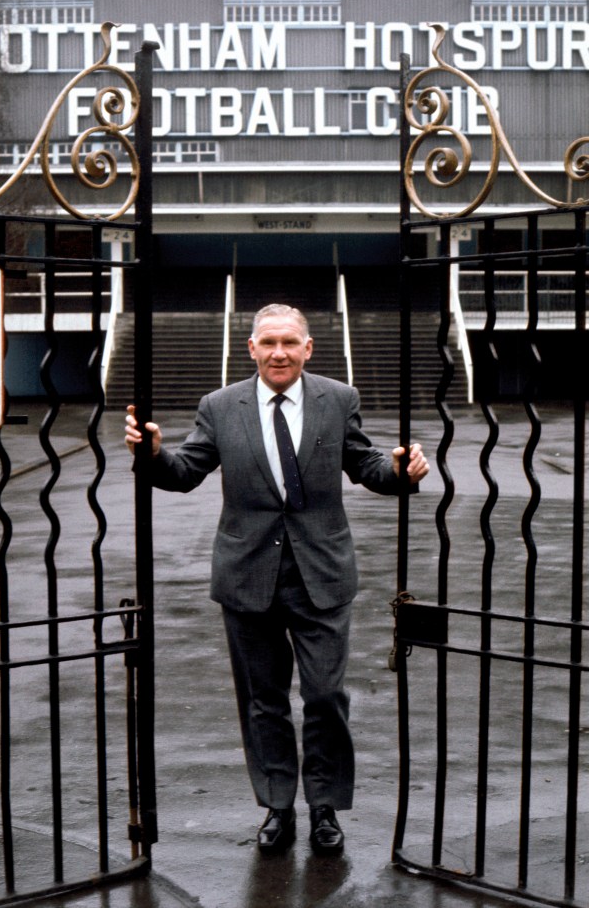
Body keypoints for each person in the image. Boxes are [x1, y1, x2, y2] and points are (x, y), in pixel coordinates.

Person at [125, 303, 429, 855]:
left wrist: (398, 471)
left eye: (290, 342)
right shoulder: (220, 406)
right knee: (263, 700)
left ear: (308, 348)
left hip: (322, 573)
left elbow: (364, 464)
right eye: (268, 343)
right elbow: (185, 471)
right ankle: (277, 805)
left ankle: (325, 807)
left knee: (325, 696)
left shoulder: (338, 399)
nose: (279, 353)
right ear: (252, 349)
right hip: (247, 575)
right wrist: (152, 454)